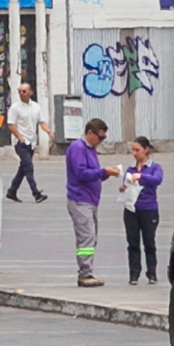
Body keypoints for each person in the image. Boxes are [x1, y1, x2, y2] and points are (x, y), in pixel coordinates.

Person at [65, 117, 119, 288]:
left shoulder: (90, 149)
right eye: (100, 138)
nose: (101, 142)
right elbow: (82, 174)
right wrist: (103, 171)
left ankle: (87, 271)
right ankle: (85, 273)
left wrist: (105, 173)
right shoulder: (78, 149)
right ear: (90, 133)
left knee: (91, 237)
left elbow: (93, 172)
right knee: (86, 237)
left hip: (90, 200)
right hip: (80, 200)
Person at [121, 135, 164, 284]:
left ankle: (151, 273)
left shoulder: (154, 168)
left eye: (137, 150)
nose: (134, 153)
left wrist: (141, 176)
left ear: (146, 150)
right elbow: (125, 184)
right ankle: (134, 274)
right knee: (132, 243)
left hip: (149, 208)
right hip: (131, 209)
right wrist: (123, 187)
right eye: (133, 150)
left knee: (149, 242)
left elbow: (157, 179)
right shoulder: (130, 169)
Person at [4, 85, 46, 202]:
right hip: (20, 143)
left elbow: (41, 121)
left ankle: (12, 191)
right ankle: (36, 193)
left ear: (30, 92)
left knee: (23, 168)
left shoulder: (36, 107)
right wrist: (20, 138)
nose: (21, 93)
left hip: (31, 142)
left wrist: (48, 131)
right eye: (19, 91)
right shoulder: (15, 108)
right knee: (28, 167)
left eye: (24, 91)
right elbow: (11, 125)